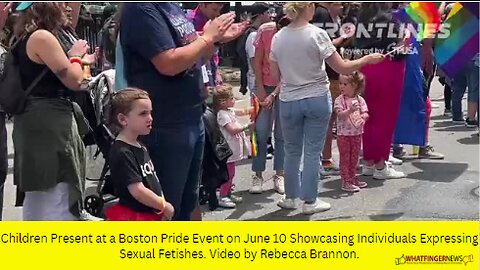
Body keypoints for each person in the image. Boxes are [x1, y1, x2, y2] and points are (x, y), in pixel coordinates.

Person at [119, 3, 242, 220]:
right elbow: (168, 63)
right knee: (165, 208)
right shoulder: (141, 8)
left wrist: (215, 40)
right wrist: (207, 38)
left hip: (190, 116)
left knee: (187, 203)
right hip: (165, 123)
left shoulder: (171, 6)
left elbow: (194, 57)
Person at [269, 2, 383, 214]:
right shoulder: (317, 34)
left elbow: (276, 77)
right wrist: (367, 59)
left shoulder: (278, 37)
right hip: (316, 97)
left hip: (289, 99)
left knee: (292, 151)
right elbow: (341, 66)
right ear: (309, 7)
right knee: (313, 152)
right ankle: (310, 201)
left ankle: (291, 197)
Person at [12, 2, 90, 220]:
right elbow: (74, 80)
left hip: (36, 122)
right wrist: (76, 56)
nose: (67, 7)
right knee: (57, 194)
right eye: (63, 2)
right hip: (49, 123)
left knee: (40, 197)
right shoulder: (42, 38)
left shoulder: (25, 35)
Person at [354, 3, 407, 179]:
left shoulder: (361, 18)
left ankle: (369, 162)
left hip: (366, 66)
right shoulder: (393, 20)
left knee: (368, 116)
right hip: (388, 68)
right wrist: (406, 39)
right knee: (385, 117)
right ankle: (380, 165)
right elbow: (401, 49)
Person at [105, 88, 174, 221]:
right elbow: (137, 190)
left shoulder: (140, 146)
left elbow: (153, 180)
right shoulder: (122, 152)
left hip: (150, 212)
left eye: (150, 113)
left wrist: (160, 203)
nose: (150, 118)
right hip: (135, 216)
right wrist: (163, 205)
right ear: (123, 119)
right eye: (143, 113)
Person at [250, 9, 288, 195]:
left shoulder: (295, 33)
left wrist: (274, 94)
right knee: (260, 131)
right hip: (264, 85)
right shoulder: (265, 30)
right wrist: (261, 89)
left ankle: (279, 174)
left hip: (286, 88)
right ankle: (257, 174)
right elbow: (256, 62)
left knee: (282, 133)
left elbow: (289, 70)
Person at [312, 2, 347, 176]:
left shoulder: (337, 17)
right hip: (327, 73)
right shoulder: (321, 14)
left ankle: (325, 158)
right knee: (326, 120)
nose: (341, 6)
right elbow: (323, 46)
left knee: (331, 119)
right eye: (338, 3)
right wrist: (344, 38)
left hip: (335, 73)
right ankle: (323, 160)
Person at [213, 84, 254, 208]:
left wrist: (252, 108)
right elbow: (232, 129)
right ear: (222, 102)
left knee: (232, 172)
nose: (234, 100)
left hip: (233, 148)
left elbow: (241, 111)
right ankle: (223, 195)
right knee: (228, 173)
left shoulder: (229, 110)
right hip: (228, 149)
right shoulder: (222, 114)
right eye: (231, 98)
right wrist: (246, 126)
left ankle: (228, 192)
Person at [334, 72, 369, 192]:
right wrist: (350, 110)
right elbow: (340, 115)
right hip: (343, 135)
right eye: (340, 83)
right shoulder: (339, 100)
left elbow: (365, 113)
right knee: (345, 157)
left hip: (357, 133)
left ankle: (353, 177)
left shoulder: (360, 100)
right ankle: (346, 181)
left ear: (354, 85)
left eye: (345, 84)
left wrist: (363, 117)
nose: (341, 86)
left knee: (354, 158)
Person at [237, 2, 271, 95]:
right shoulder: (253, 35)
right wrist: (260, 86)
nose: (270, 16)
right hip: (257, 82)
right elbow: (254, 62)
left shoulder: (255, 33)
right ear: (261, 14)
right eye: (268, 13)